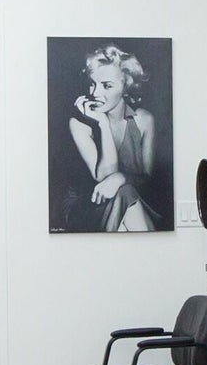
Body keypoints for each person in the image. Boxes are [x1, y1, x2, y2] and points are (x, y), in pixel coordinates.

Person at [68, 45, 162, 232]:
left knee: (127, 193)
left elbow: (148, 180)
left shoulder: (144, 120)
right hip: (89, 208)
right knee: (126, 194)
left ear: (126, 86)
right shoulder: (78, 124)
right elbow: (103, 177)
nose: (95, 93)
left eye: (107, 86)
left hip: (134, 202)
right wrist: (103, 124)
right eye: (92, 84)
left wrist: (121, 178)